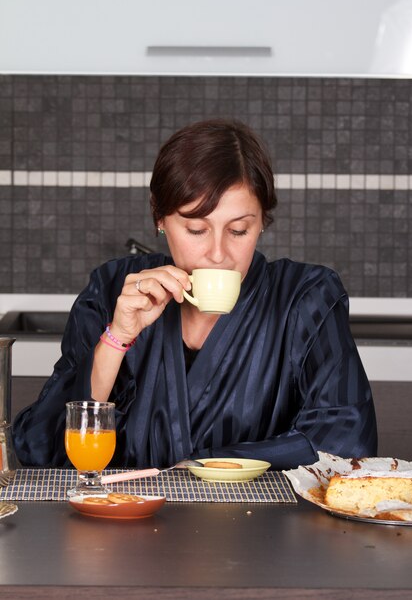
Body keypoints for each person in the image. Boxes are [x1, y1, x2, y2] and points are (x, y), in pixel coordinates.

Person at [12, 119, 378, 470]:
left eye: (238, 231)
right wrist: (117, 339)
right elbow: (42, 447)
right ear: (159, 217)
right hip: (124, 524)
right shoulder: (112, 290)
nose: (218, 254)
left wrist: (206, 465)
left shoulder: (305, 298)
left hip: (262, 531)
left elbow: (346, 441)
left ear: (262, 221)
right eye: (195, 229)